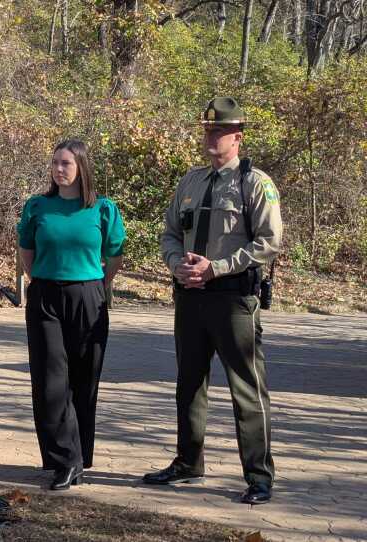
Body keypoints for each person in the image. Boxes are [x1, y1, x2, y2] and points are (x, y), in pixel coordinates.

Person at [143, 97, 282, 505]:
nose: (210, 137)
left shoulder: (254, 183)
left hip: (233, 300)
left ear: (237, 137)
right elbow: (171, 234)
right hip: (190, 298)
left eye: (218, 131)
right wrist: (176, 266)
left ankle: (259, 476)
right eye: (206, 130)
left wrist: (216, 268)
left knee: (247, 390)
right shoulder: (191, 182)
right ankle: (188, 462)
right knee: (189, 384)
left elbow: (269, 242)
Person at [17, 139, 126, 491]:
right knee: (50, 380)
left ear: (81, 167)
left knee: (84, 378)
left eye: (65, 163)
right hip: (46, 296)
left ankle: (79, 457)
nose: (58, 169)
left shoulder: (102, 209)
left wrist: (97, 284)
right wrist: (42, 279)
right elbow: (26, 250)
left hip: (88, 296)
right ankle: (63, 460)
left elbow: (114, 255)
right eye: (54, 163)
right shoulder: (38, 206)